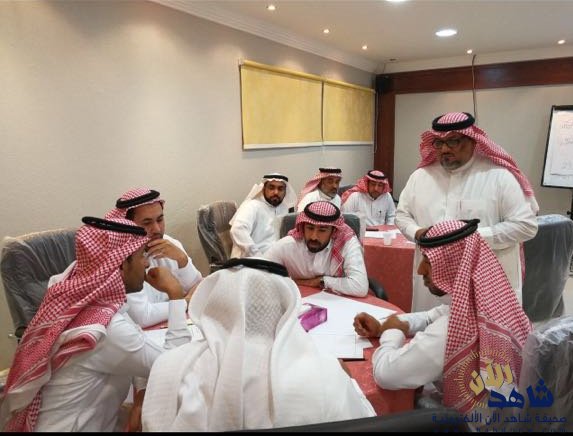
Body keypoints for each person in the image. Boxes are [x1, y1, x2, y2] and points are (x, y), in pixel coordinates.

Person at [0, 217, 191, 432]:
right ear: (121, 264)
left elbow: (136, 344)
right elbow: (176, 364)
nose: (146, 264)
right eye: (141, 256)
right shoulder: (107, 329)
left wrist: (141, 392)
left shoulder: (83, 299)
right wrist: (175, 294)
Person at [140, 257, 375, 431]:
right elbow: (364, 421)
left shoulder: (169, 367)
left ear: (215, 303)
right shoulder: (325, 372)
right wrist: (348, 381)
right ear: (285, 307)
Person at [353, 219, 532, 415]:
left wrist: (391, 332)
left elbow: (386, 374)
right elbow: (433, 316)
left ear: (453, 264)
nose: (420, 270)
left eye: (428, 261)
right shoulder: (492, 298)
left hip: (469, 423)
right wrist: (386, 326)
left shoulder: (449, 332)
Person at [395, 112, 538, 311]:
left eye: (453, 141)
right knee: (427, 326)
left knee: (480, 330)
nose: (444, 149)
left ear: (472, 140)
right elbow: (402, 215)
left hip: (483, 281)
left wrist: (468, 239)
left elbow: (526, 226)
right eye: (438, 143)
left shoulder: (498, 176)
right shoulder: (420, 177)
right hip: (432, 281)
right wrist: (417, 232)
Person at [105, 187, 202, 327]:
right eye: (147, 223)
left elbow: (199, 288)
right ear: (128, 225)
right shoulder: (121, 260)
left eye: (160, 219)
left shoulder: (169, 244)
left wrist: (183, 260)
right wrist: (185, 301)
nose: (157, 229)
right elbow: (142, 317)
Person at [265, 201, 368, 297]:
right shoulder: (287, 245)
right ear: (303, 226)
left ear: (333, 231)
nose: (314, 237)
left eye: (322, 230)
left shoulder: (347, 243)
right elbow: (259, 274)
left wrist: (319, 281)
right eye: (310, 228)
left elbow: (360, 286)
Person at [229, 173, 297, 258]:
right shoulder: (252, 206)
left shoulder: (284, 209)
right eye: (271, 188)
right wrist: (256, 255)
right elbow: (238, 230)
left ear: (285, 191)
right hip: (250, 259)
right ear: (263, 189)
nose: (276, 192)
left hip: (275, 258)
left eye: (280, 189)